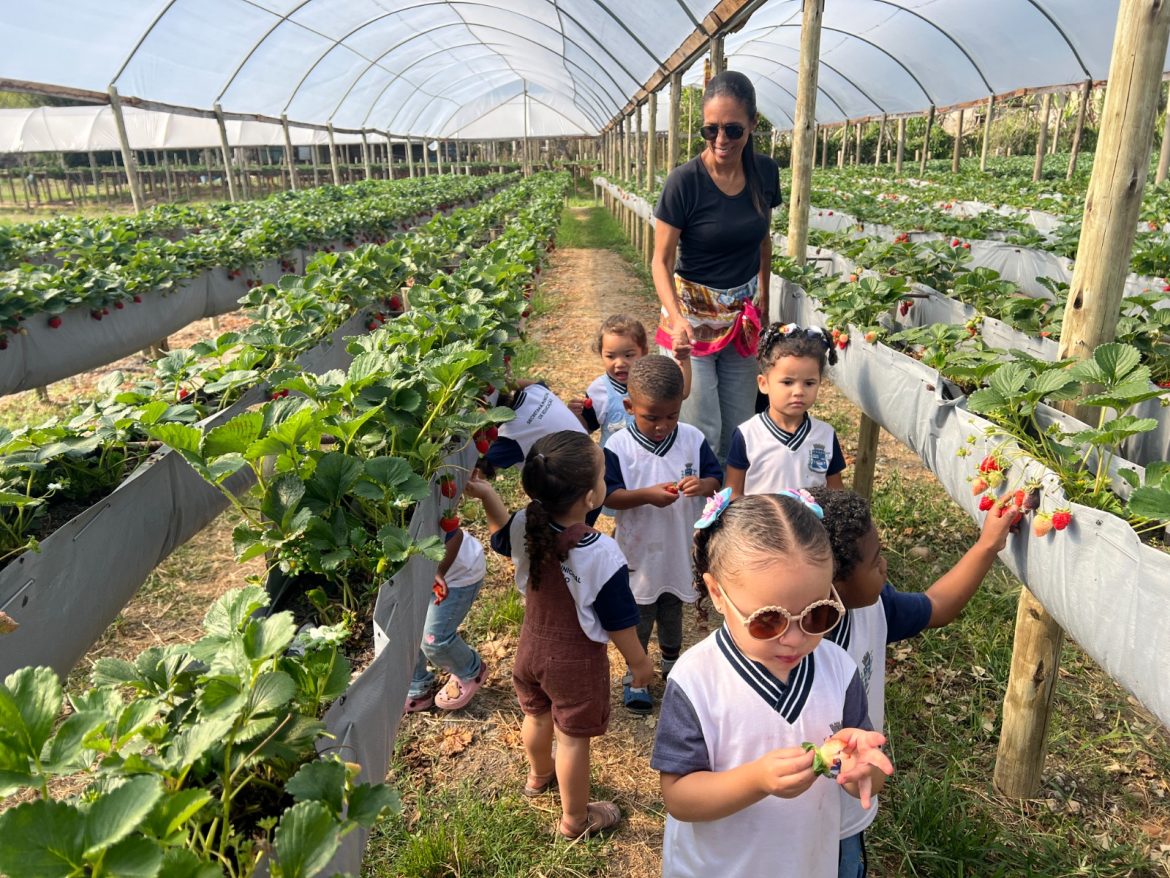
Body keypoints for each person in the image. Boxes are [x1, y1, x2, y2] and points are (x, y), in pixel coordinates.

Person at [651, 490, 893, 877]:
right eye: (769, 620)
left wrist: (863, 768)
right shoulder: (697, 681)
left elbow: (869, 775)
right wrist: (755, 780)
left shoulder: (838, 670)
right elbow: (679, 797)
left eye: (817, 614)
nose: (794, 638)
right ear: (717, 593)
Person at [808, 487, 1018, 878]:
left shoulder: (874, 605)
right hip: (793, 810)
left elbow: (937, 606)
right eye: (874, 563)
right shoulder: (793, 652)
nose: (885, 566)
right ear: (832, 584)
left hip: (851, 799)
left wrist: (987, 546)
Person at [465, 431, 654, 839]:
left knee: (535, 714)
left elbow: (500, 534)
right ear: (590, 498)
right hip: (574, 661)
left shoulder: (525, 524)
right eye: (603, 476)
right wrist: (639, 662)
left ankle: (537, 776)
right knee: (572, 740)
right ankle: (575, 819)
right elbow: (620, 620)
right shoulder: (600, 552)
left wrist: (486, 497)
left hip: (530, 648)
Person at [651, 70, 782, 462]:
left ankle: (729, 515)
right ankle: (700, 516)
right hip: (691, 321)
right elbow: (660, 261)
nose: (721, 140)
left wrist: (764, 301)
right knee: (701, 426)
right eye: (710, 131)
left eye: (732, 130)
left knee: (740, 428)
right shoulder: (684, 182)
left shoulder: (765, 174)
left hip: (741, 320)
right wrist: (676, 319)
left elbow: (763, 241)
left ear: (753, 124)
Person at [603, 355, 723, 714]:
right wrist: (646, 496)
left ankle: (673, 666)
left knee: (673, 608)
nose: (662, 425)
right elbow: (609, 496)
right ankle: (636, 675)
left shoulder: (691, 439)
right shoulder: (618, 448)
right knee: (639, 615)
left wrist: (701, 485)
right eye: (651, 417)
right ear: (629, 406)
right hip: (638, 552)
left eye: (671, 416)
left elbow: (715, 477)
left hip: (679, 547)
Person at [725, 323, 846, 497]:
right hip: (761, 524)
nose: (799, 392)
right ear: (763, 384)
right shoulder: (747, 435)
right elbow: (733, 494)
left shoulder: (825, 435)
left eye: (809, 383)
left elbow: (837, 495)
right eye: (787, 382)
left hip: (811, 525)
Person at [403, 520, 488, 713]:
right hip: (415, 578)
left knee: (434, 639)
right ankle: (417, 687)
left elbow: (454, 535)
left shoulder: (418, 507)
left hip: (455, 575)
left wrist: (438, 570)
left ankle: (471, 669)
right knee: (407, 631)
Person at [570, 314, 693, 447]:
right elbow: (586, 428)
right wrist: (574, 415)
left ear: (644, 351)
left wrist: (684, 360)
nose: (620, 363)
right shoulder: (599, 390)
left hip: (655, 459)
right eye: (610, 356)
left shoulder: (655, 379)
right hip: (617, 463)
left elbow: (682, 393)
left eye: (628, 355)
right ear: (601, 354)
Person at [479, 378, 587, 476]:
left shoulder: (511, 436)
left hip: (570, 484)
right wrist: (503, 381)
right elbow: (531, 382)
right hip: (591, 455)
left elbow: (482, 470)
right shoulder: (538, 390)